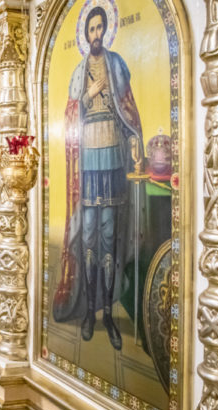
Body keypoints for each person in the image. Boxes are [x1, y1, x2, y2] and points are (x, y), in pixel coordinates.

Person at [53, 5, 144, 351]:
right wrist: (90, 95)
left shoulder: (117, 64)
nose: (94, 34)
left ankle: (107, 312)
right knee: (89, 236)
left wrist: (136, 139)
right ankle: (89, 310)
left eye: (98, 28)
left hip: (114, 158)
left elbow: (129, 106)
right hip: (88, 160)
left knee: (110, 235)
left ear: (105, 31)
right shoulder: (79, 73)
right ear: (85, 34)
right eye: (89, 29)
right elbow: (70, 114)